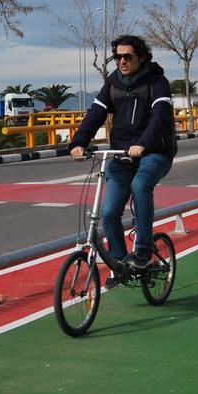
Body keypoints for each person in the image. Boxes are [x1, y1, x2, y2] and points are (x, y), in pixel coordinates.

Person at [68, 34, 177, 281]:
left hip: (155, 151)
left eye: (127, 56)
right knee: (108, 212)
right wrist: (78, 142)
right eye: (117, 57)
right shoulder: (113, 83)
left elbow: (160, 118)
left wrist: (143, 145)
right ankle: (119, 262)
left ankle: (143, 251)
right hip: (121, 154)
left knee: (140, 186)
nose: (122, 61)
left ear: (142, 57)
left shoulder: (157, 82)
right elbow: (95, 114)